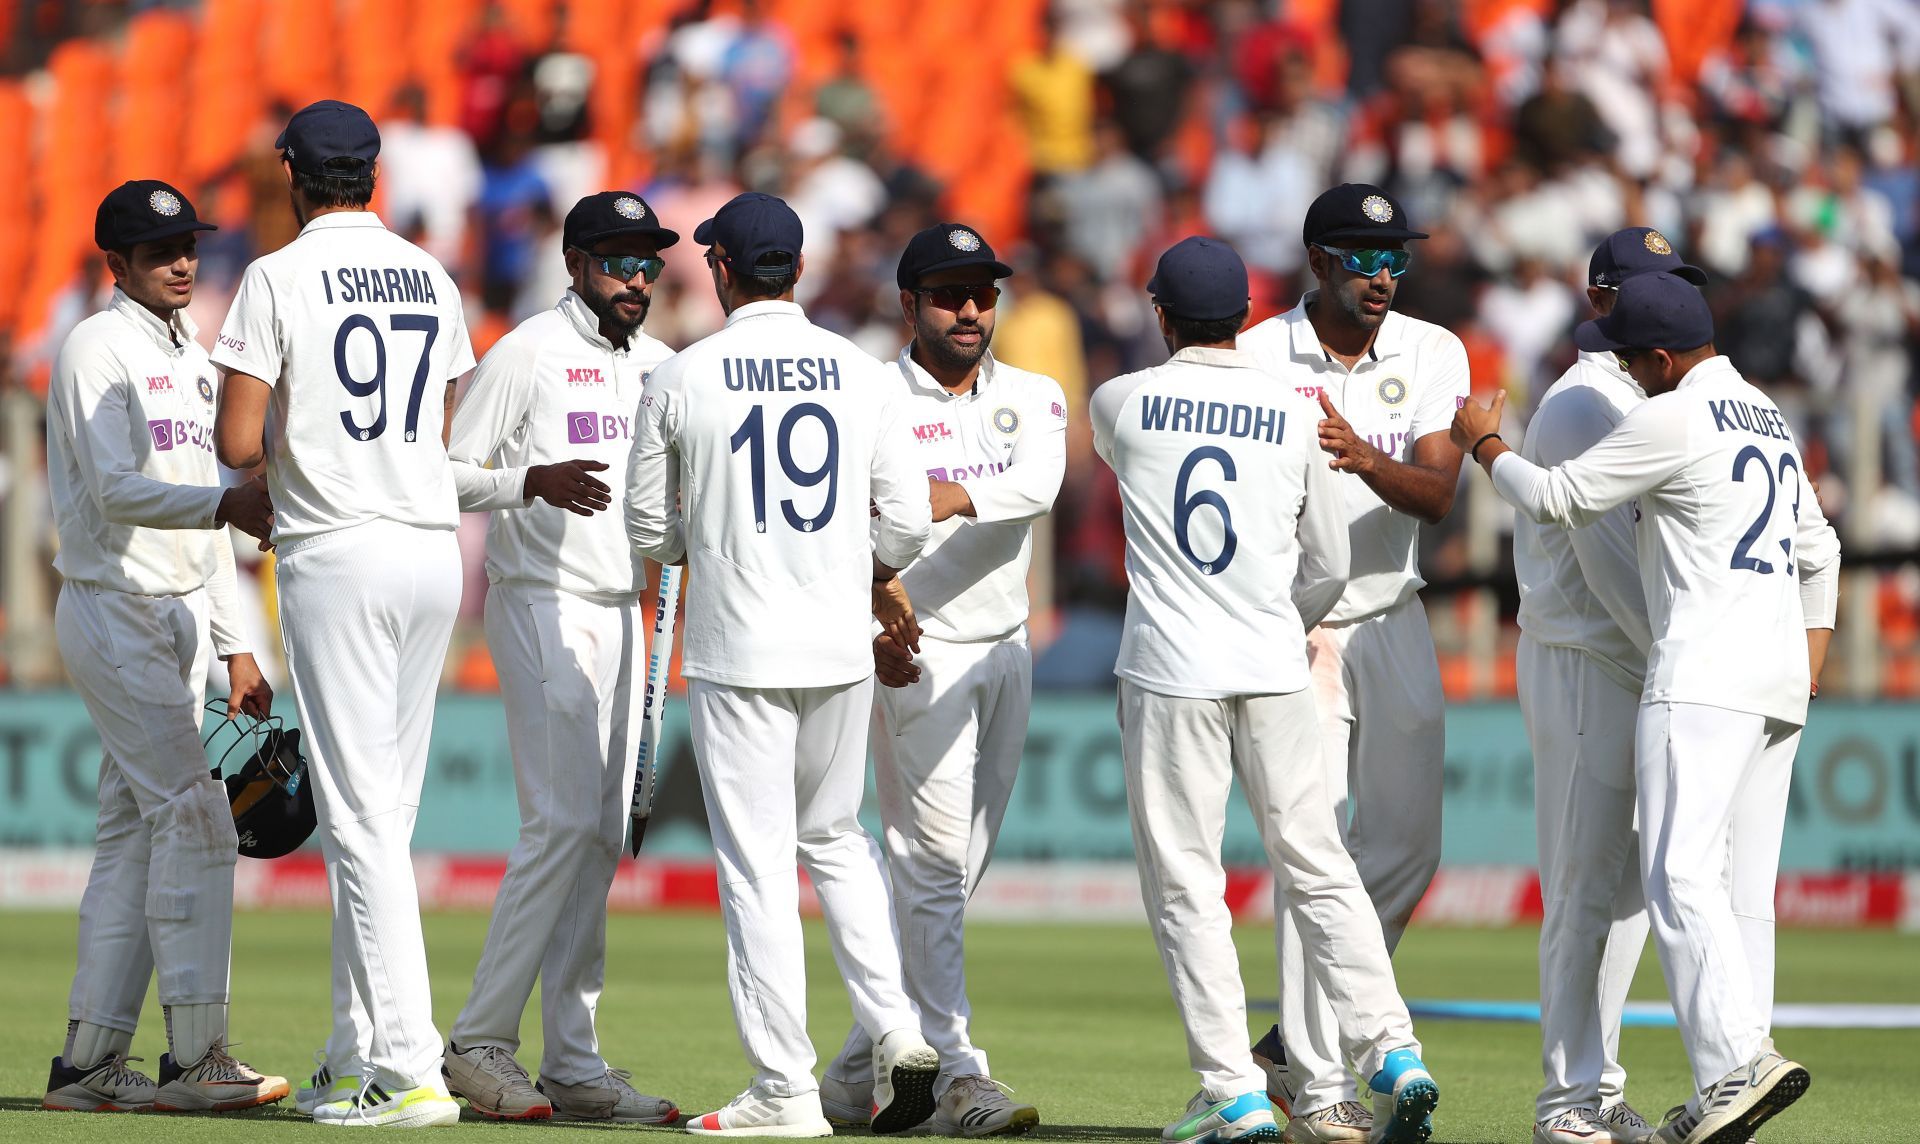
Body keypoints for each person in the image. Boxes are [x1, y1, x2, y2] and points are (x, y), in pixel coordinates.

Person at [1452, 271, 1841, 1144]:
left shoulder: (1676, 414)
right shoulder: (1771, 418)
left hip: (1699, 672)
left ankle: (1737, 1064)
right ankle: (1734, 1075)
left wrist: (1485, 444)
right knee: (1742, 893)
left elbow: (1557, 498)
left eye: (1635, 360)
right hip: (1776, 678)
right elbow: (1826, 550)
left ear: (1664, 357)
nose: (1628, 374)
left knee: (1675, 874)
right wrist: (1807, 660)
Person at [1090, 236, 1439, 1144]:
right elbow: (1326, 560)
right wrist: (1278, 621)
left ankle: (1237, 1093)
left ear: (1162, 316)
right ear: (1247, 317)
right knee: (1319, 865)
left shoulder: (1119, 403)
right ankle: (1393, 1051)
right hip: (1276, 662)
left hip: (1172, 671)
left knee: (1187, 887)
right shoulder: (1294, 407)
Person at [625, 192, 938, 1137]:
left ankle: (785, 1090)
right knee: (837, 839)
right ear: (796, 270)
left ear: (720, 270)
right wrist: (859, 566)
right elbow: (911, 523)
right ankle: (896, 1028)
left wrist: (709, 536)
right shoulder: (866, 372)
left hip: (739, 646)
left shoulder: (682, 376)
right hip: (838, 642)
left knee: (758, 866)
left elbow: (648, 529)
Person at [212, 99, 476, 1128]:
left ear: (292, 176)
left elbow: (238, 441)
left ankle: (410, 1068)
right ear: (375, 174)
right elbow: (437, 419)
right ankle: (352, 1050)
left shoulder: (276, 275)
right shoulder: (430, 272)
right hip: (430, 548)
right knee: (384, 815)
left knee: (361, 820)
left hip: (338, 552)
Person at [42, 179, 284, 1115]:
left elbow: (201, 516)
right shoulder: (94, 350)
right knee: (196, 817)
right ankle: (195, 1059)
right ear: (117, 265)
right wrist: (221, 502)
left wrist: (238, 646)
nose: (182, 261)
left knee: (135, 836)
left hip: (178, 614)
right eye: (158, 251)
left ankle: (90, 1063)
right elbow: (114, 492)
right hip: (117, 606)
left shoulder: (188, 349)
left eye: (188, 243)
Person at [817, 223, 1065, 1137]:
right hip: (917, 651)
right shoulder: (871, 397)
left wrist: (946, 496)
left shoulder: (1034, 395)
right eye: (951, 294)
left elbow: (1039, 483)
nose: (971, 310)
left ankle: (859, 1067)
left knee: (955, 874)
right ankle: (957, 1073)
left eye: (984, 294)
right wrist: (865, 610)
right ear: (908, 301)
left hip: (1006, 646)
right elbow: (837, 525)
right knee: (928, 870)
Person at [439, 191, 681, 1124]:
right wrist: (523, 480)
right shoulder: (528, 352)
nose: (637, 278)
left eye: (649, 262)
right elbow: (446, 471)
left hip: (627, 610)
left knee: (597, 837)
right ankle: (478, 1042)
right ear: (576, 262)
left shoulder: (665, 366)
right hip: (540, 599)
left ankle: (574, 1061)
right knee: (564, 822)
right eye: (619, 261)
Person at [1235, 184, 1467, 1143]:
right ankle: (1323, 1086)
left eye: (1395, 261)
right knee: (1314, 848)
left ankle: (1294, 1046)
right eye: (1365, 261)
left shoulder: (1432, 348)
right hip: (1298, 624)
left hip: (1393, 616)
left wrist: (1357, 455)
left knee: (1410, 848)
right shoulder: (1252, 357)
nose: (1383, 278)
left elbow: (1438, 492)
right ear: (1318, 261)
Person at [1521, 229, 1706, 1144]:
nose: (1660, 303)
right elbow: (1607, 571)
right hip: (1588, 658)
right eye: (1642, 288)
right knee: (1584, 886)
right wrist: (1689, 666)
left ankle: (1597, 1086)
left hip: (1630, 658)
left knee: (1626, 891)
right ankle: (1568, 1102)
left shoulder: (1643, 394)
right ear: (1601, 303)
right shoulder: (1584, 405)